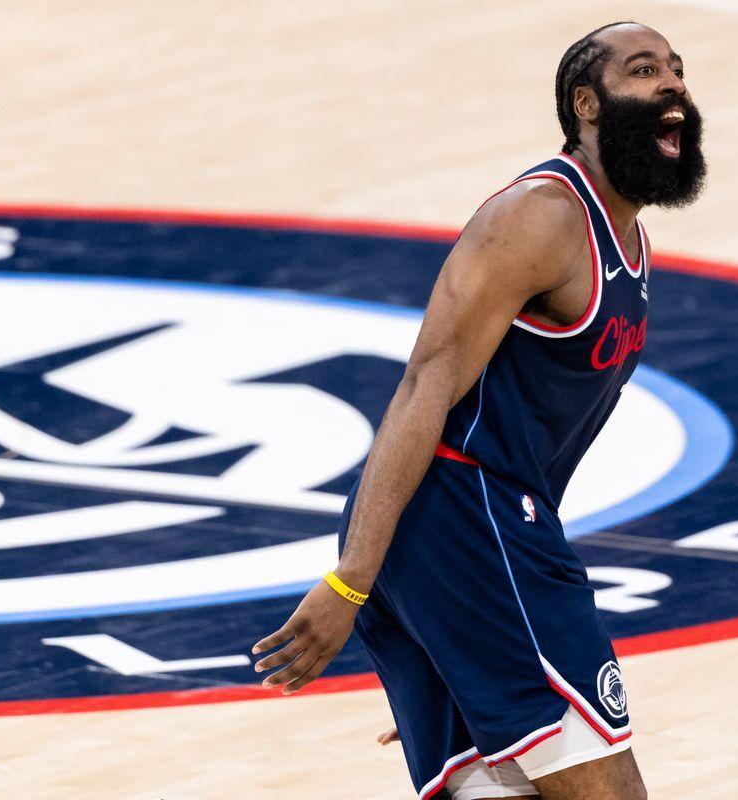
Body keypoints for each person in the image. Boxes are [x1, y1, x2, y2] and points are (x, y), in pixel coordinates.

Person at [253, 20, 705, 800]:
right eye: (643, 70)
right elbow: (423, 386)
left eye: (677, 69)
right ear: (586, 105)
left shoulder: (624, 238)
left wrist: (464, 642)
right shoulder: (541, 217)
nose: (672, 83)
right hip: (463, 519)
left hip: (471, 542)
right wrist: (353, 579)